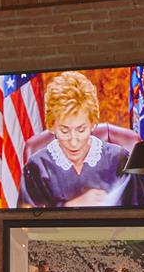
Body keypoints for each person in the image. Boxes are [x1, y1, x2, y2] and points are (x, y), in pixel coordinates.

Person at [20, 71, 132, 208]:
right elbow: (26, 219)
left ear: (92, 124)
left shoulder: (120, 160)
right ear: (52, 126)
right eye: (64, 131)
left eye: (81, 130)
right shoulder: (36, 167)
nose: (73, 143)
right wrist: (69, 206)